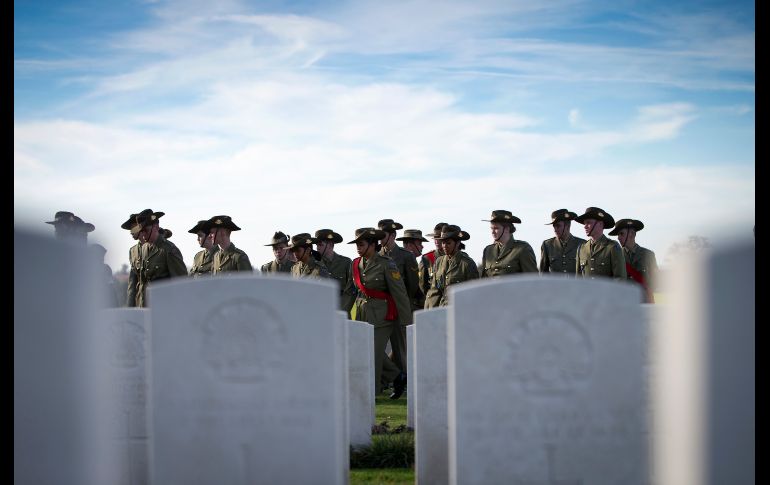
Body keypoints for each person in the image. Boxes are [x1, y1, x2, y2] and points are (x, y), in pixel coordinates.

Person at [348, 228, 412, 399]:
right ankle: (398, 377)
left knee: (374, 354)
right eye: (357, 244)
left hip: (383, 315)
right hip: (362, 314)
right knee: (364, 351)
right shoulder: (356, 264)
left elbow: (399, 293)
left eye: (361, 244)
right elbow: (352, 291)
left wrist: (407, 321)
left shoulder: (387, 264)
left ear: (372, 244)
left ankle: (373, 392)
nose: (358, 248)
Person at [377, 219, 419, 380]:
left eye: (384, 235)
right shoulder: (377, 255)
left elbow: (412, 285)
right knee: (377, 347)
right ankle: (389, 378)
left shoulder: (405, 256)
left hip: (399, 306)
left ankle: (405, 380)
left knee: (400, 348)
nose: (380, 239)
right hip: (381, 308)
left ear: (393, 235)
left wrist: (402, 303)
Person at [130, 209, 187, 307]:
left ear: (156, 227)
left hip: (163, 308)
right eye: (141, 231)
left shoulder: (169, 250)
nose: (143, 234)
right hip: (144, 307)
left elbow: (181, 284)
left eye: (146, 230)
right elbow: (141, 283)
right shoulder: (143, 249)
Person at [425, 225, 479, 308]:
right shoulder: (439, 261)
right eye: (443, 242)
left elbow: (473, 295)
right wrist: (431, 314)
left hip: (460, 312)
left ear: (457, 243)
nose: (444, 246)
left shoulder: (467, 264)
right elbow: (434, 292)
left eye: (448, 243)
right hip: (442, 311)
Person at [609, 219, 658, 303]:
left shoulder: (648, 255)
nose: (618, 237)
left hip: (644, 302)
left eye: (621, 234)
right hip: (624, 302)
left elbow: (656, 279)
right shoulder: (615, 255)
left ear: (632, 234)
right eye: (618, 235)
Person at [480, 210, 538, 277]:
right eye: (491, 228)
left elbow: (532, 280)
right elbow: (484, 280)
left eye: (496, 228)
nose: (492, 232)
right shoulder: (488, 250)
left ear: (507, 229)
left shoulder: (522, 249)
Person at [574, 207, 626, 280]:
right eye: (584, 223)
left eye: (588, 222)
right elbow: (578, 280)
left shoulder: (612, 247)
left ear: (600, 224)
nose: (585, 226)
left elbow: (620, 279)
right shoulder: (581, 248)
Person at [314, 229, 355, 313]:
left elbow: (351, 290)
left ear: (330, 244)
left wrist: (343, 310)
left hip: (341, 311)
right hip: (320, 311)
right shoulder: (314, 264)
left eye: (320, 245)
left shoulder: (346, 262)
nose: (317, 248)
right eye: (316, 245)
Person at [540, 209, 586, 276]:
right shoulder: (547, 245)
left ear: (567, 226)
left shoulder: (582, 244)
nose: (555, 229)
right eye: (554, 226)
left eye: (558, 226)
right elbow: (543, 274)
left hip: (575, 286)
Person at [396, 229, 430, 310]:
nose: (422, 246)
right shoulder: (400, 262)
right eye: (419, 244)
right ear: (410, 245)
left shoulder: (414, 261)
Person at [121, 213, 142, 307]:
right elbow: (132, 283)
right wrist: (129, 307)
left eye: (134, 229)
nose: (131, 232)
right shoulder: (133, 251)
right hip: (140, 304)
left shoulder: (161, 248)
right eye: (130, 230)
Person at [89, 243, 119, 307]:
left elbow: (111, 288)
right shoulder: (87, 271)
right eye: (100, 256)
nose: (102, 259)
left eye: (103, 256)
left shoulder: (106, 269)